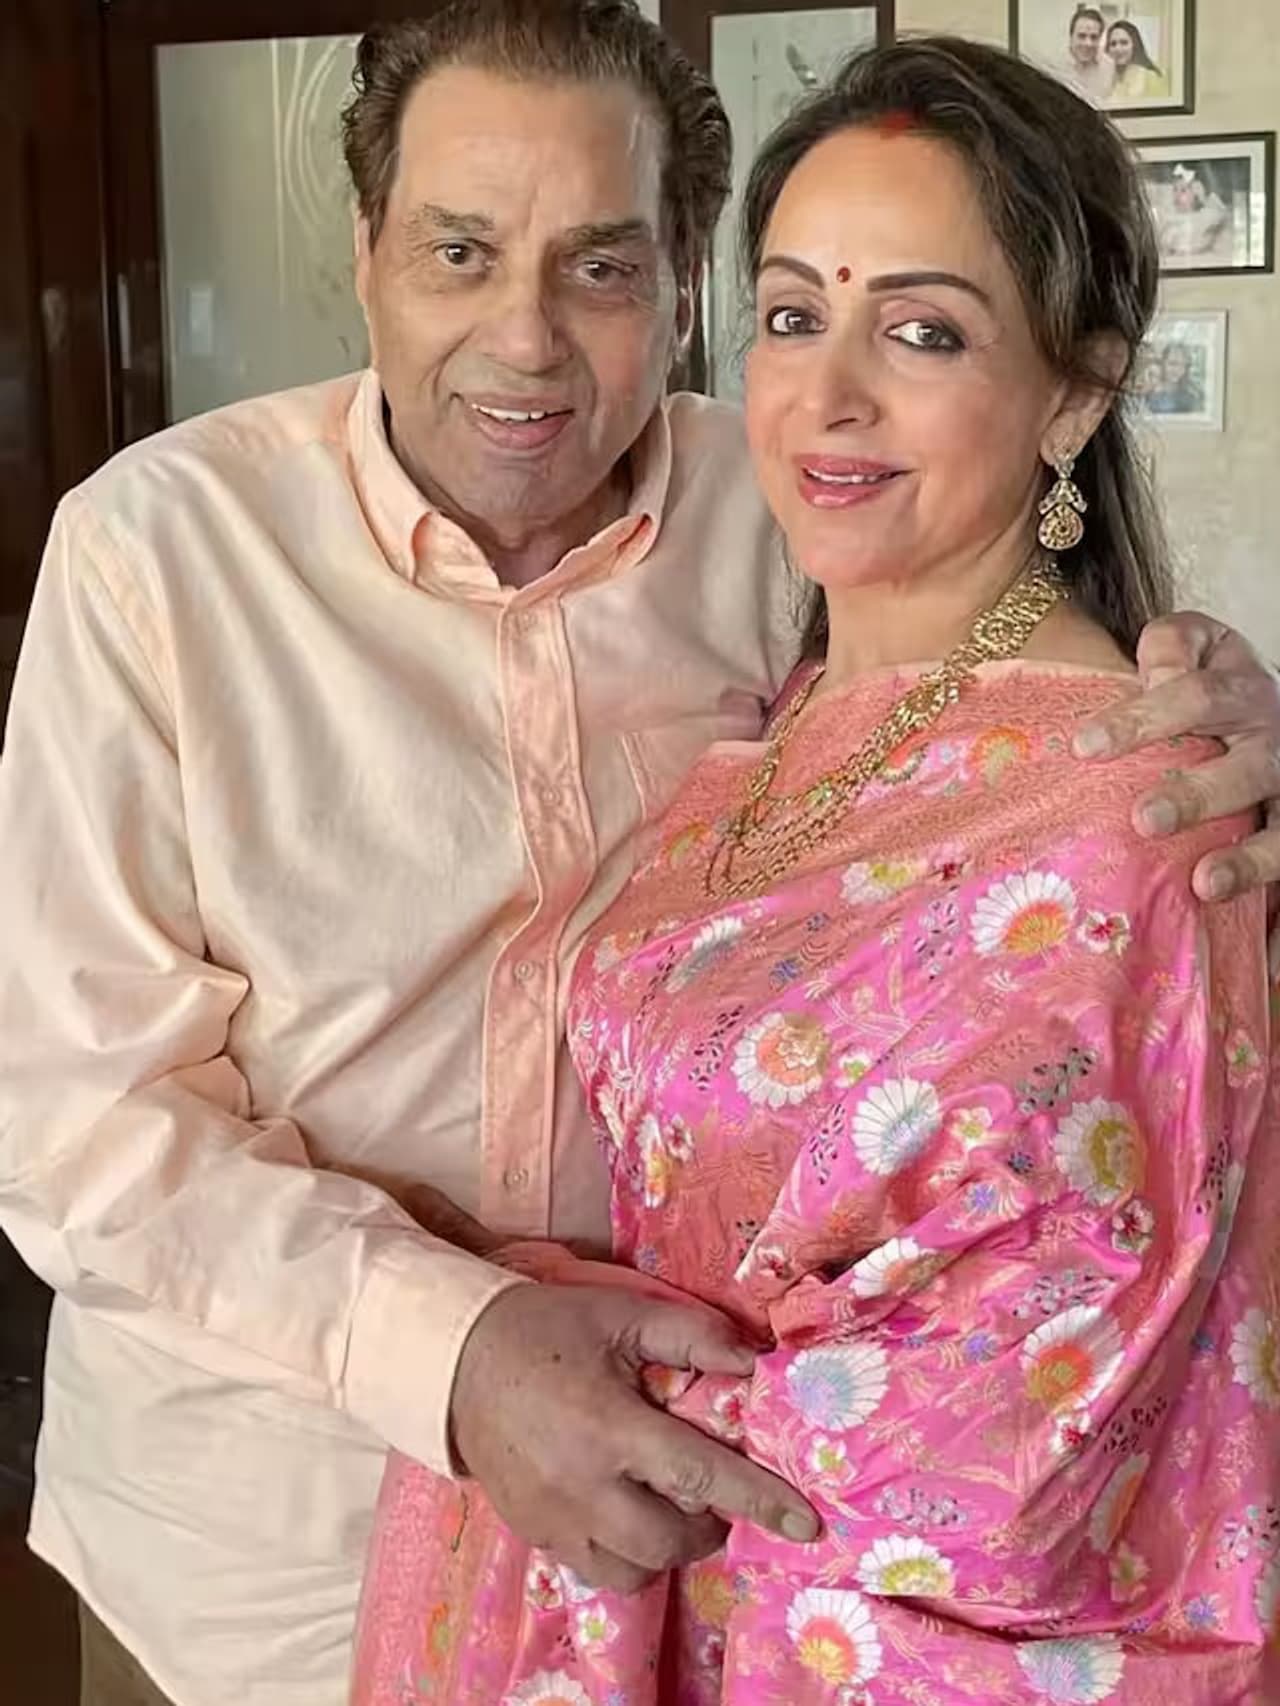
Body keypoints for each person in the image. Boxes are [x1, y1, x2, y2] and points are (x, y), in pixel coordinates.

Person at [1, 6, 1279, 1706]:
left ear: (679, 286)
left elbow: (1013, 770)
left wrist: (1218, 726)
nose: (524, 339)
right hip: (248, 1534)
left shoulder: (794, 510)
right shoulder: (159, 556)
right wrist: (458, 1350)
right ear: (367, 252)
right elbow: (79, 1125)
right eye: (460, 250)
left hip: (724, 1577)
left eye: (600, 266)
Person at [1059, 5, 1114, 104]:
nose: (1088, 43)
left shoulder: (1109, 66)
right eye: (1082, 36)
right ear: (1071, 36)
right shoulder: (1055, 66)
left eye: (1094, 37)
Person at [1104, 19, 1168, 104]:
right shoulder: (1105, 79)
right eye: (1113, 44)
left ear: (1135, 45)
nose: (1118, 49)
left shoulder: (1150, 77)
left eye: (1124, 43)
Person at [1147, 341, 1204, 416]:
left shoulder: (1191, 397)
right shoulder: (1149, 393)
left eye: (1182, 365)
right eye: (1172, 363)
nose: (1177, 370)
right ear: (1163, 363)